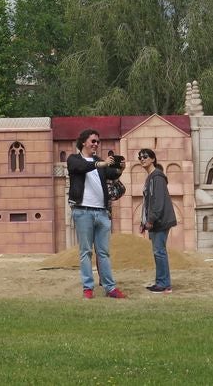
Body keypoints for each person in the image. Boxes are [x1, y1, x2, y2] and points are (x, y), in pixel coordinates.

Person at [66, 128, 127, 299]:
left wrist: (120, 168)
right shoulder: (74, 159)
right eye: (93, 141)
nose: (96, 144)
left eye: (98, 142)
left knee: (104, 252)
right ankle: (88, 288)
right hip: (82, 211)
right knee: (85, 252)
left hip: (101, 213)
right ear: (83, 142)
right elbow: (83, 167)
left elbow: (112, 174)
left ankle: (110, 288)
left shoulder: (100, 162)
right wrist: (100, 163)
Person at [137, 149, 177, 293]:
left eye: (145, 156)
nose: (142, 159)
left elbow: (158, 202)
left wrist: (151, 220)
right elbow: (148, 202)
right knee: (158, 252)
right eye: (140, 157)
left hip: (160, 221)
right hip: (155, 221)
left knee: (159, 252)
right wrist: (144, 222)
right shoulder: (150, 177)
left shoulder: (157, 177)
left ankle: (164, 284)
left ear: (153, 159)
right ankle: (161, 282)